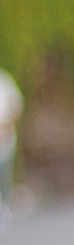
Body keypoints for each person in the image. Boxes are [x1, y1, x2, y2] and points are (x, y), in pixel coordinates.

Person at [0, 68, 24, 211]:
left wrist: (7, 125)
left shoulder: (4, 80)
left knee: (4, 174)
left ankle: (4, 206)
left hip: (5, 139)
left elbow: (16, 106)